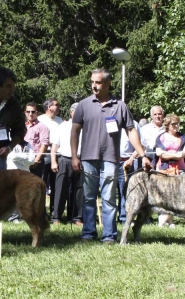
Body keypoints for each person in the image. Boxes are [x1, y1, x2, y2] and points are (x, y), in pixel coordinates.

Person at [71, 68, 150, 244]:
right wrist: (75, 156)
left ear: (107, 84)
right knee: (88, 197)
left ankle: (109, 236)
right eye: (92, 82)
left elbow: (131, 131)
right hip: (87, 158)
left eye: (98, 82)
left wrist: (143, 155)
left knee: (108, 198)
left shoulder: (120, 105)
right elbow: (74, 131)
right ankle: (88, 233)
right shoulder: (84, 104)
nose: (94, 86)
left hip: (110, 159)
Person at [153, 114, 185, 227]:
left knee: (177, 194)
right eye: (174, 124)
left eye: (178, 123)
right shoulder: (161, 137)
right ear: (167, 125)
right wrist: (176, 154)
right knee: (164, 194)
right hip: (163, 170)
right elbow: (159, 153)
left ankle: (167, 220)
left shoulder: (183, 138)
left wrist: (170, 155)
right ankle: (167, 220)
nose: (176, 126)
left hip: (180, 170)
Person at [51, 103, 83, 225]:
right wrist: (53, 161)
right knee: (60, 189)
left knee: (79, 190)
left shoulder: (85, 126)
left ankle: (76, 217)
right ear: (71, 112)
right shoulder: (62, 126)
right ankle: (56, 217)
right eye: (76, 111)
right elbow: (55, 145)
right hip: (64, 159)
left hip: (81, 160)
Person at [37, 98, 63, 217]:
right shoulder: (39, 120)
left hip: (58, 155)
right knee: (41, 184)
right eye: (56, 105)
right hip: (43, 154)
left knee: (56, 185)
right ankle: (41, 212)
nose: (58, 107)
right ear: (49, 107)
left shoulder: (60, 121)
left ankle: (54, 212)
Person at [117, 120, 140, 225]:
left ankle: (124, 218)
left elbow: (140, 145)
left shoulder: (134, 124)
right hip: (110, 162)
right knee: (108, 192)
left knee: (125, 191)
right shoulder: (108, 119)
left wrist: (131, 159)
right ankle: (109, 219)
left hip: (127, 162)